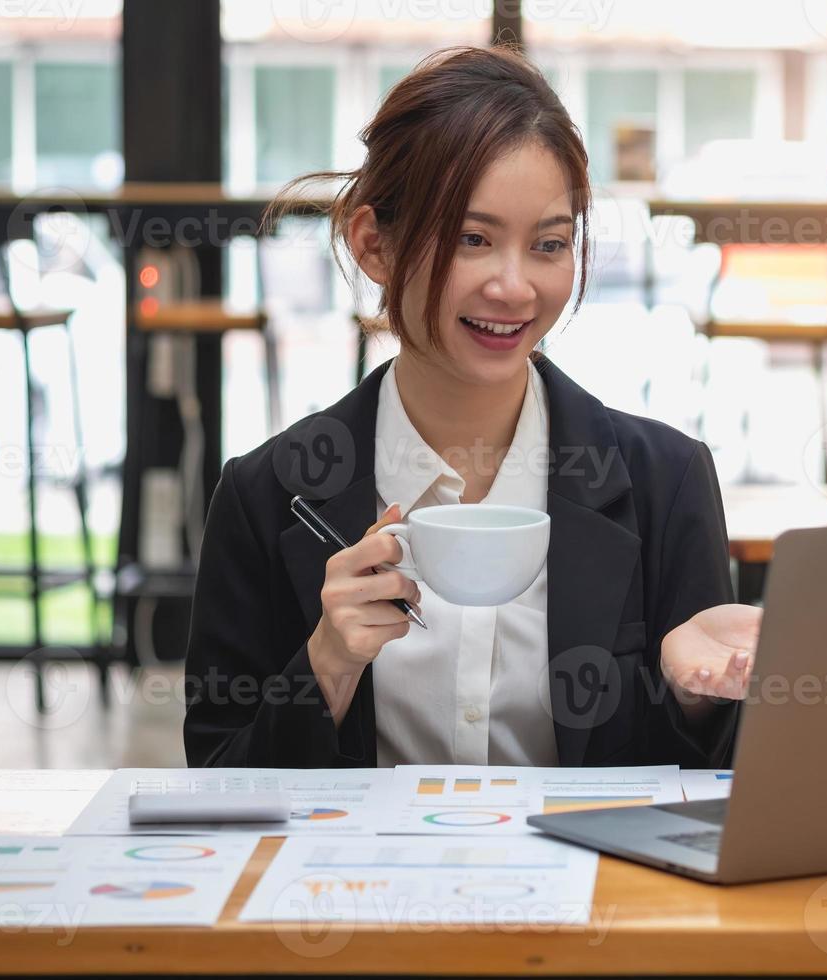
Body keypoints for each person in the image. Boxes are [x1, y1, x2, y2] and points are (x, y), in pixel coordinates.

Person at [183, 46, 762, 770]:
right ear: (374, 246)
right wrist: (326, 663)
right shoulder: (268, 497)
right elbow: (215, 778)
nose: (514, 287)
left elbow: (714, 794)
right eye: (472, 239)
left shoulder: (663, 482)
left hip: (586, 887)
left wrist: (698, 697)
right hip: (361, 886)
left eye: (549, 244)